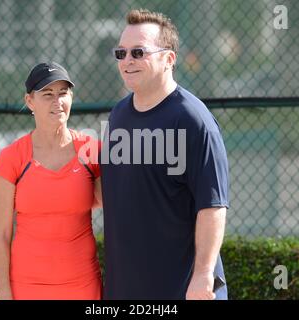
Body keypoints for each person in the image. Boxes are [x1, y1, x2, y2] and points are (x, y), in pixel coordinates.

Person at [101, 9, 229, 300]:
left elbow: (212, 207)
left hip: (182, 290)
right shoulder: (118, 115)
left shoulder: (194, 120)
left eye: (138, 52)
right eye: (121, 53)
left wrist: (204, 275)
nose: (127, 61)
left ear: (168, 59)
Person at [0, 62, 102, 300]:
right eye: (48, 94)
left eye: (63, 93)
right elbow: (0, 235)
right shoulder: (12, 157)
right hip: (26, 287)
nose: (57, 101)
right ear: (30, 101)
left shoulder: (92, 151)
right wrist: (3, 291)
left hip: (83, 286)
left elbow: (118, 215)